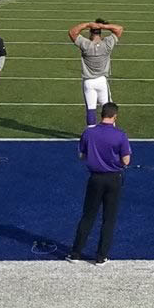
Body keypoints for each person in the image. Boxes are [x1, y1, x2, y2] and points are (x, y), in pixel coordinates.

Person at [66, 101, 132, 264]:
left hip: (95, 178)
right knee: (108, 219)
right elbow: (126, 160)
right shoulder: (120, 135)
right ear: (115, 116)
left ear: (101, 114)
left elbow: (81, 156)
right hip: (113, 179)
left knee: (88, 216)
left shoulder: (89, 133)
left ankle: (75, 253)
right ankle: (101, 256)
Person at [70, 18, 124, 125]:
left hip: (88, 82)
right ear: (100, 32)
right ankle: (110, 132)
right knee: (107, 108)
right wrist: (103, 26)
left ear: (91, 32)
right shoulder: (107, 44)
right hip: (101, 81)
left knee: (90, 109)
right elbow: (119, 29)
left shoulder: (85, 45)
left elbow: (72, 32)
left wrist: (88, 24)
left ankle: (91, 131)